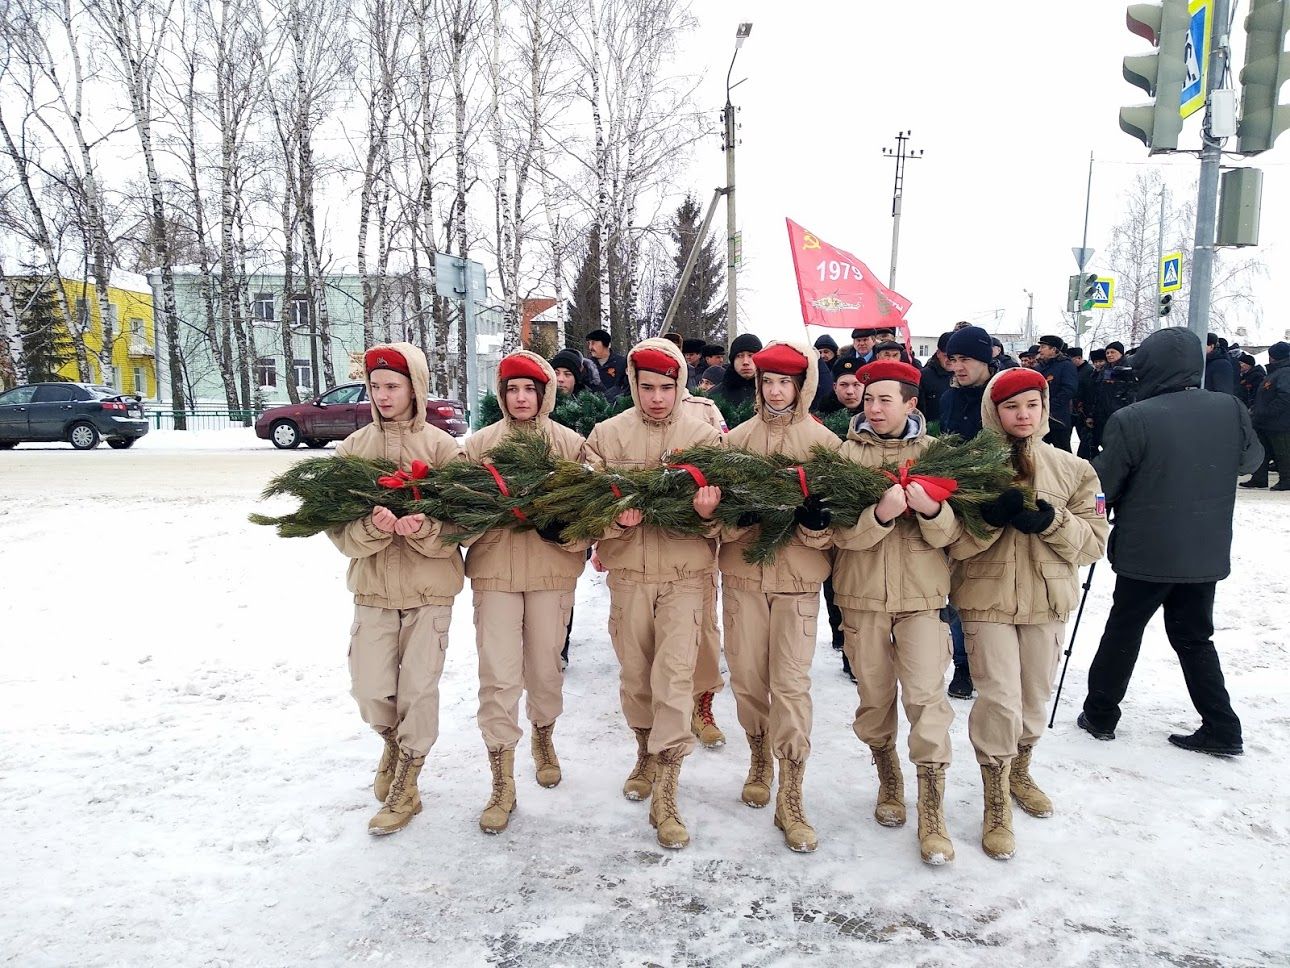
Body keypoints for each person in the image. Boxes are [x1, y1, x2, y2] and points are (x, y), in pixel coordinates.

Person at [1080, 327, 1262, 757]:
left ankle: (1101, 714)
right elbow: (1251, 460)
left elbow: (1105, 484)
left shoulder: (1133, 417)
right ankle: (1222, 728)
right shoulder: (1230, 407)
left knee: (1125, 628)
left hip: (1147, 550)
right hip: (1204, 549)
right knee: (1195, 637)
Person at [949, 367, 1108, 860]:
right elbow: (948, 542)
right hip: (985, 598)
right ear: (993, 412)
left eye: (1032, 405)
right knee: (999, 697)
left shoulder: (1074, 469)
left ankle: (1020, 769)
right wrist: (987, 522)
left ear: (1044, 408)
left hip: (1047, 599)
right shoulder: (970, 465)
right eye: (1011, 406)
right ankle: (995, 797)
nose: (1022, 415)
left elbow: (1096, 542)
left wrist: (1052, 521)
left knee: (1035, 696)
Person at [585, 338, 722, 849]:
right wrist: (614, 522)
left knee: (674, 677)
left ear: (680, 385)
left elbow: (729, 520)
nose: (658, 397)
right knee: (636, 674)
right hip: (630, 579)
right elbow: (585, 508)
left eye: (667, 387)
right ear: (634, 385)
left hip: (686, 577)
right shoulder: (606, 436)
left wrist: (710, 516)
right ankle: (643, 752)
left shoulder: (704, 438)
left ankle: (667, 788)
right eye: (648, 387)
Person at [327, 343, 464, 836]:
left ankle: (408, 782)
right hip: (373, 590)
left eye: (393, 386)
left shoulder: (444, 449)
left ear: (415, 388)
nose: (383, 395)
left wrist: (424, 527)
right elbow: (338, 530)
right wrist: (374, 527)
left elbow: (464, 525)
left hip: (430, 592)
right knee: (368, 688)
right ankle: (391, 743)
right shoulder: (353, 450)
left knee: (418, 689)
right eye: (376, 386)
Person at [831, 360, 961, 865]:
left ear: (911, 404)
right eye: (869, 398)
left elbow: (956, 537)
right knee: (874, 697)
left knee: (928, 700)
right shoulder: (843, 457)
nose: (875, 408)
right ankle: (888, 777)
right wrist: (880, 514)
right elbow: (837, 535)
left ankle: (932, 809)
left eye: (886, 399)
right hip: (861, 599)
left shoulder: (937, 455)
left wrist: (931, 510)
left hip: (923, 600)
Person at [713, 341, 840, 852]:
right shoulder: (736, 442)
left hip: (798, 583)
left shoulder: (824, 445)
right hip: (744, 579)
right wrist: (729, 520)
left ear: (802, 385)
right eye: (767, 381)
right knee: (747, 680)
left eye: (785, 382)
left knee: (789, 684)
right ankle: (758, 754)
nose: (775, 390)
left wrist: (815, 527)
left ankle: (792, 789)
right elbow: (712, 516)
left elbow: (839, 527)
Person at [462, 352, 589, 834]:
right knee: (497, 675)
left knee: (544, 669)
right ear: (502, 394)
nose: (520, 398)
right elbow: (457, 512)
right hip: (494, 572)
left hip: (551, 573)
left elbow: (590, 512)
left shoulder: (570, 446)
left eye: (529, 390)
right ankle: (501, 779)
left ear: (544, 394)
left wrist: (567, 534)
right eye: (512, 390)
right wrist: (483, 519)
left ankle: (543, 735)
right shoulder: (478, 446)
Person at [937, 324, 997, 699]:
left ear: (985, 359)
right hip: (954, 503)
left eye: (966, 360)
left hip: (992, 503)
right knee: (957, 591)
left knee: (987, 591)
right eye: (953, 359)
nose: (957, 367)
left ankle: (990, 662)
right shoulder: (948, 398)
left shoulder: (1002, 395)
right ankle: (963, 666)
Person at [1243, 341, 1290, 490]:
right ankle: (1259, 478)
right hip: (1266, 421)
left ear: (1274, 357)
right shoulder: (1277, 372)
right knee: (1263, 450)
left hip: (1278, 422)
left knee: (1282, 452)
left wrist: (1266, 411)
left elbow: (1285, 397)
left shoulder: (1285, 372)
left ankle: (1287, 480)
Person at [1088, 342, 1135, 457]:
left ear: (1121, 353)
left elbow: (1132, 392)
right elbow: (1097, 393)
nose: (1109, 355)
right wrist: (1092, 414)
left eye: (1112, 352)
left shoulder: (1128, 368)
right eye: (1107, 352)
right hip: (1102, 415)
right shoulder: (1105, 370)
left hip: (1120, 414)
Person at [1035, 335, 1079, 452]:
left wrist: (1049, 406)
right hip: (1040, 419)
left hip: (1058, 419)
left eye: (1043, 347)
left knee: (1063, 453)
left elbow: (1069, 390)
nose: (1039, 350)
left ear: (1054, 350)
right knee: (1039, 452)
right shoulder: (1039, 367)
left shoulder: (1066, 366)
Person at [711, 333, 762, 408]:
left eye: (751, 355)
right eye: (740, 356)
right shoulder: (715, 396)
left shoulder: (771, 392)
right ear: (733, 360)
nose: (745, 362)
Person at [917, 333, 955, 428]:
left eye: (954, 357)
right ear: (938, 353)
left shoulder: (965, 376)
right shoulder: (923, 376)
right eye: (946, 356)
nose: (950, 360)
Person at [585, 329, 629, 400]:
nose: (590, 347)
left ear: (605, 343)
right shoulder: (587, 365)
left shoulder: (622, 363)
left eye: (593, 343)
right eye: (589, 343)